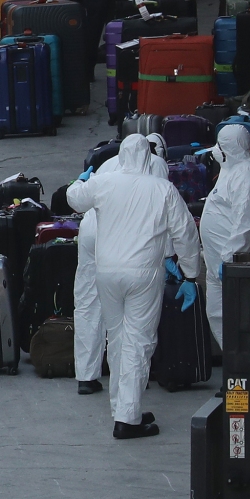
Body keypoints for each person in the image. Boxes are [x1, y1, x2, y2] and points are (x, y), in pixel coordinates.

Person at [67, 134, 201, 439]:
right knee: (138, 342)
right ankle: (128, 419)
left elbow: (74, 199)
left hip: (106, 273)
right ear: (148, 156)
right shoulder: (162, 188)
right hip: (143, 275)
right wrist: (191, 274)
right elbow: (185, 234)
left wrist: (81, 179)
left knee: (117, 339)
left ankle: (123, 406)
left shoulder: (106, 182)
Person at [74, 133, 169, 396]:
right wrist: (170, 256)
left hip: (90, 230)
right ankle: (131, 379)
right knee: (133, 317)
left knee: (87, 302)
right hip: (118, 240)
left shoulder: (110, 163)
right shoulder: (157, 165)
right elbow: (162, 213)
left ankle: (86, 375)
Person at [199, 125, 250, 348]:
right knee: (220, 316)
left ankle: (244, 370)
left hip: (237, 264)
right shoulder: (232, 170)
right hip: (221, 265)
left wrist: (229, 258)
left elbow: (245, 224)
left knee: (239, 318)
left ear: (229, 148)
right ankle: (235, 366)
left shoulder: (246, 177)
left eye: (220, 146)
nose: (216, 150)